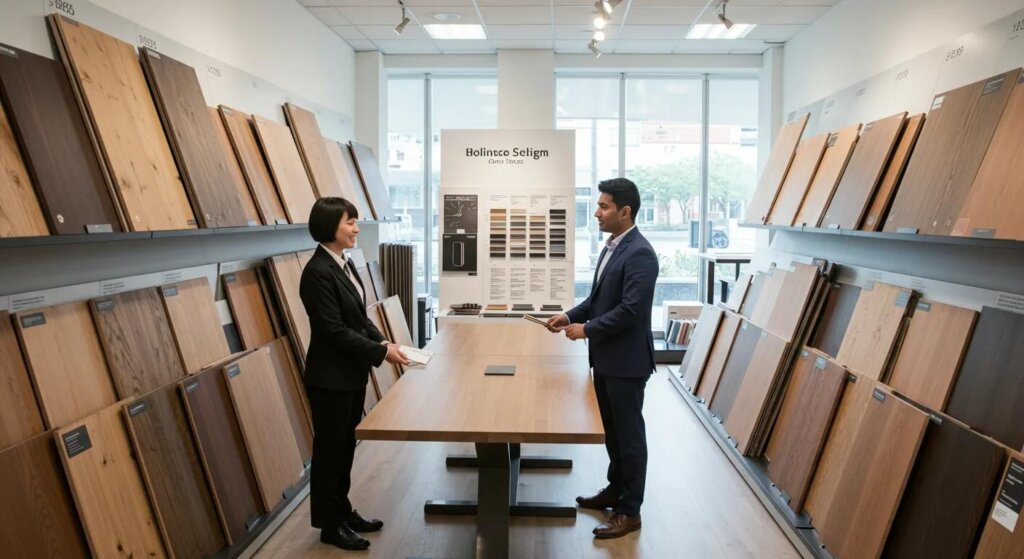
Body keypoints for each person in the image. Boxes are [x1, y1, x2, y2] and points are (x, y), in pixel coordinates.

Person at [547, 178, 659, 540]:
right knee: (612, 432)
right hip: (607, 360)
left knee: (629, 437)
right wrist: (569, 316)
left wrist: (588, 329)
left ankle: (630, 511)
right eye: (598, 205)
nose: (596, 212)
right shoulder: (612, 246)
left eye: (604, 207)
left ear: (625, 212)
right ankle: (615, 491)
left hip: (626, 363)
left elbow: (629, 310)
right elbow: (598, 299)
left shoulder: (640, 253)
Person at [299, 197, 410, 551]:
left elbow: (359, 319)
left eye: (356, 221)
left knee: (346, 448)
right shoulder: (317, 272)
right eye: (350, 222)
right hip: (329, 378)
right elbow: (333, 330)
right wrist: (381, 352)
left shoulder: (344, 265)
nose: (356, 228)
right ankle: (330, 526)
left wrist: (383, 340)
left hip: (349, 375)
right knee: (330, 452)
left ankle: (343, 511)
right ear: (330, 225)